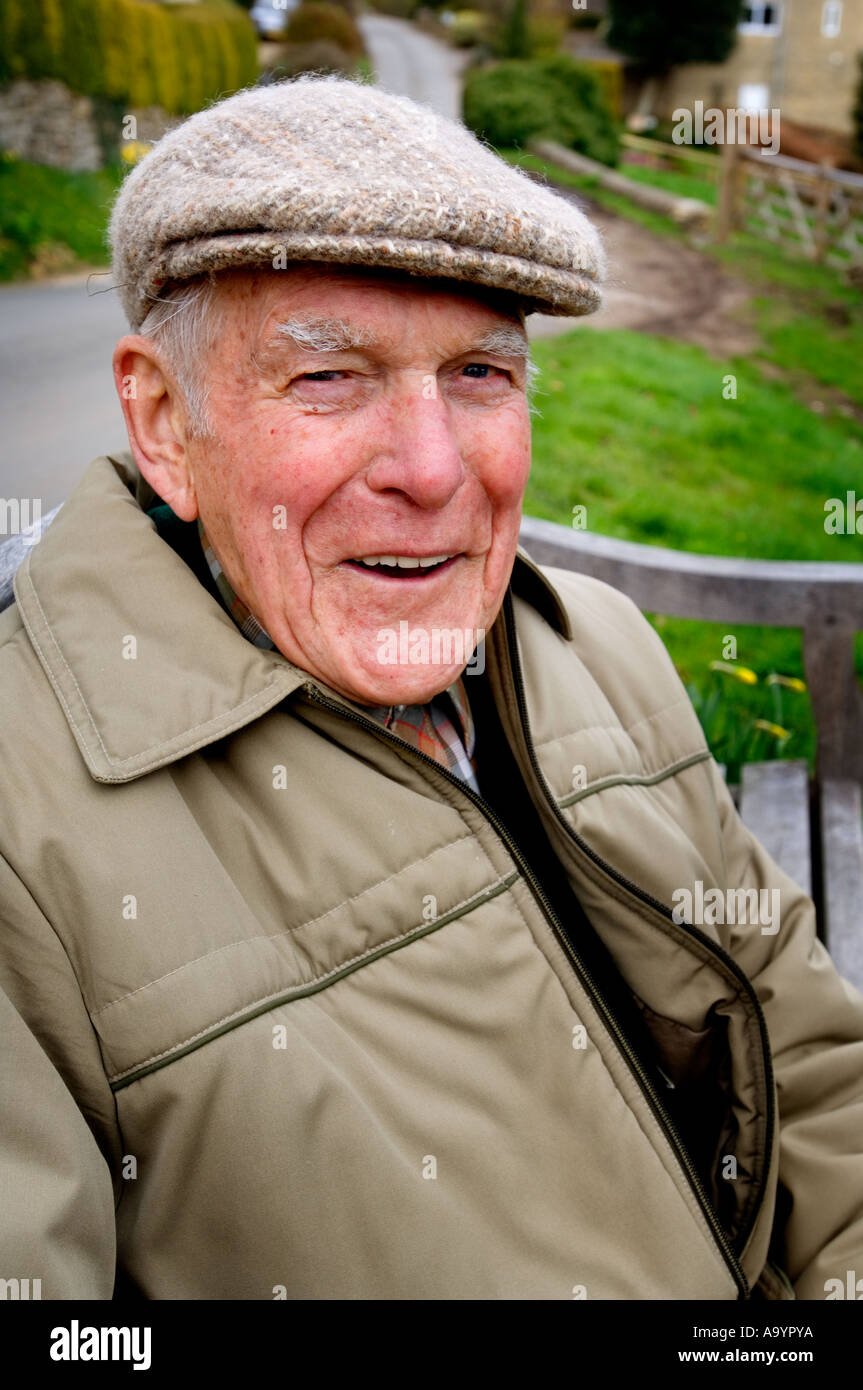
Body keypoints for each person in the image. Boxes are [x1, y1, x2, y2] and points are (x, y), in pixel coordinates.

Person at [0, 76, 861, 1302]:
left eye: (476, 374)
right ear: (161, 421)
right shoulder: (22, 825)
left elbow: (809, 1055)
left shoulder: (597, 643)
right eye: (327, 378)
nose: (429, 469)